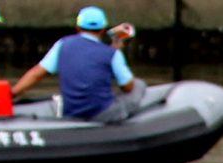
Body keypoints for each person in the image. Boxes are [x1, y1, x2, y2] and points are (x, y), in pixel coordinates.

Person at [10, 6, 138, 122]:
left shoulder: (62, 45)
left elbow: (36, 74)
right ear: (103, 29)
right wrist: (115, 54)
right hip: (101, 113)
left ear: (78, 27)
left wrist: (13, 93)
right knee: (139, 85)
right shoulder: (112, 54)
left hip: (72, 111)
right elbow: (128, 87)